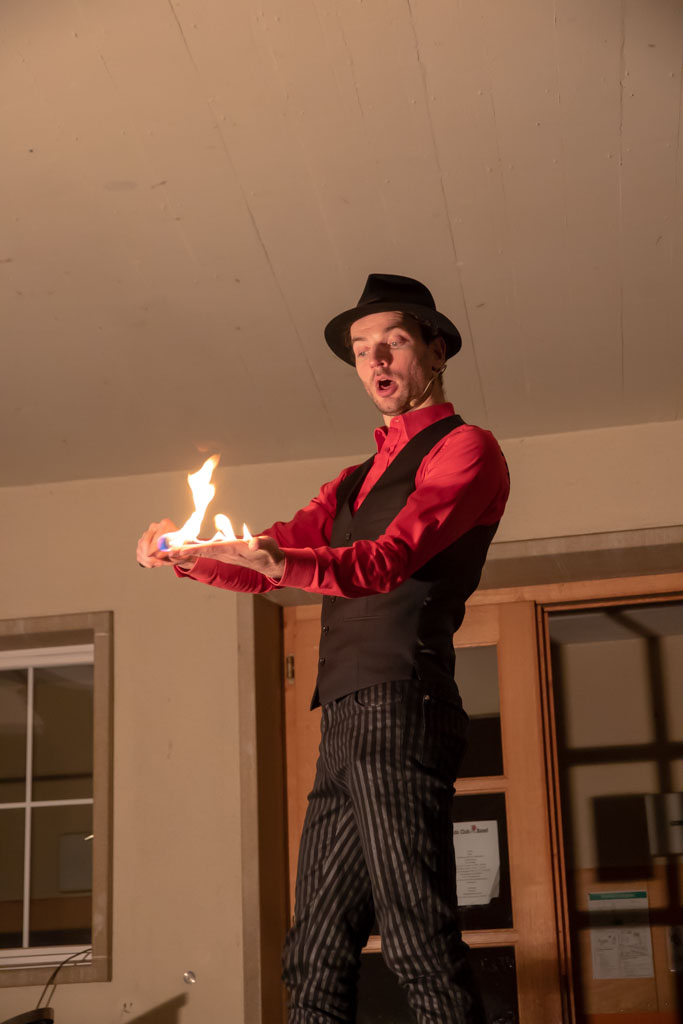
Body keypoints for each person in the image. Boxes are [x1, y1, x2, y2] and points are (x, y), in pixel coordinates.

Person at [136, 274, 510, 1023]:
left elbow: (384, 561)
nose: (376, 360)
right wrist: (187, 555)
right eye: (362, 349)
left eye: (393, 342)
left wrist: (279, 563)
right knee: (314, 955)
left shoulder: (465, 449)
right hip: (342, 716)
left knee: (416, 941)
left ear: (436, 351)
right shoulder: (349, 481)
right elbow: (270, 556)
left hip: (402, 702)